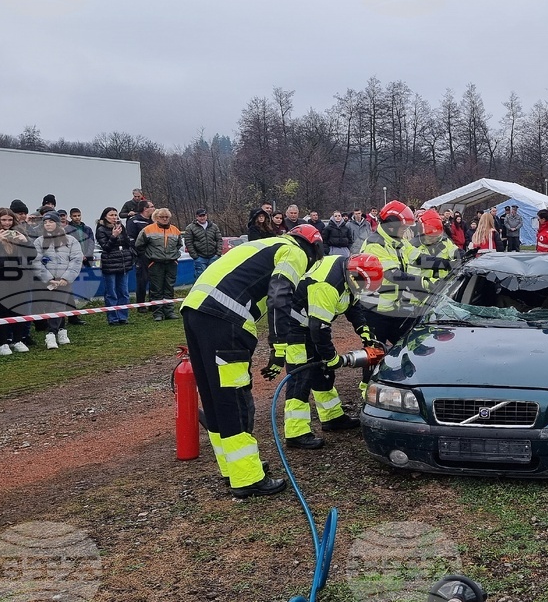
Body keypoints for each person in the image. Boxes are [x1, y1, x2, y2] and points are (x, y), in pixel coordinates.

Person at [179, 225, 324, 498]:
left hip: (195, 311)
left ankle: (234, 467)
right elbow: (280, 296)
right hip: (227, 316)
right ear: (314, 249)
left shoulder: (265, 246)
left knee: (215, 395)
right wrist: (278, 346)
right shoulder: (294, 252)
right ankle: (247, 478)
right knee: (235, 397)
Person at [282, 253, 383, 448]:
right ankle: (295, 432)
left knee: (324, 373)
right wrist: (332, 357)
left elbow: (353, 307)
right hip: (295, 327)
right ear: (355, 276)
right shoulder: (327, 286)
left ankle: (331, 417)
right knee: (300, 378)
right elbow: (318, 327)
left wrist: (365, 333)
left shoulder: (350, 273)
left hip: (312, 324)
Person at [361, 201, 421, 346]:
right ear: (391, 225)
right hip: (375, 310)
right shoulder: (375, 245)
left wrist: (449, 263)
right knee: (375, 354)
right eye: (403, 227)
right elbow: (392, 275)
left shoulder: (398, 241)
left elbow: (419, 258)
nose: (405, 230)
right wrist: (423, 283)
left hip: (394, 307)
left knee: (405, 347)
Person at [0, 208, 35, 353]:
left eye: (9, 220)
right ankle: (3, 342)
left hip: (19, 278)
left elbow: (32, 255)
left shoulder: (20, 233)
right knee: (1, 312)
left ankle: (18, 340)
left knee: (18, 310)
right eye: (3, 220)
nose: (7, 223)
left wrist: (25, 242)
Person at [33, 211, 83, 350]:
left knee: (58, 306)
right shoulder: (39, 241)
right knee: (52, 306)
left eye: (51, 222)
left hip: (64, 281)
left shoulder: (70, 240)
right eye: (45, 222)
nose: (48, 225)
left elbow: (76, 260)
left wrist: (66, 278)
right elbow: (36, 261)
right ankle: (61, 331)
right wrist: (48, 278)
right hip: (48, 281)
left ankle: (51, 333)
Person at [134, 208, 183, 321]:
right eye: (162, 217)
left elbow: (179, 244)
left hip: (171, 263)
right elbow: (139, 245)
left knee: (169, 287)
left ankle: (169, 311)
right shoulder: (148, 230)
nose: (165, 219)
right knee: (156, 289)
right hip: (155, 263)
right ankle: (158, 313)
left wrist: (175, 257)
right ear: (156, 217)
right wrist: (148, 258)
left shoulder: (175, 230)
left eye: (167, 217)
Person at [95, 207, 134, 326]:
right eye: (111, 215)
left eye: (116, 215)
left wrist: (122, 233)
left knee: (124, 292)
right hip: (110, 263)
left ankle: (123, 316)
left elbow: (127, 242)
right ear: (105, 216)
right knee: (111, 292)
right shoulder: (101, 229)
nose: (114, 217)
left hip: (123, 262)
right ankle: (113, 318)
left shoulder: (121, 227)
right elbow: (106, 247)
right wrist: (113, 236)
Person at [409, 208, 460, 287]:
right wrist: (436, 283)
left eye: (436, 236)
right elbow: (414, 277)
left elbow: (455, 251)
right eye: (430, 237)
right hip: (422, 293)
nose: (434, 239)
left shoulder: (444, 241)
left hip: (443, 290)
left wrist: (463, 255)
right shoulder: (413, 247)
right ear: (422, 234)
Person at [126, 201, 154, 310]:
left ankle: (153, 303)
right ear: (145, 209)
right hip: (141, 255)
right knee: (142, 280)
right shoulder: (133, 221)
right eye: (152, 207)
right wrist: (138, 253)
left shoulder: (154, 221)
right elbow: (131, 239)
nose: (154, 208)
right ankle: (141, 305)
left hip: (154, 255)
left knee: (154, 280)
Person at [183, 208, 223, 281]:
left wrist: (218, 254)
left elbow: (219, 240)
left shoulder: (214, 226)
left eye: (203, 215)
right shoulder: (190, 228)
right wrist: (195, 256)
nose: (202, 217)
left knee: (214, 278)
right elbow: (188, 243)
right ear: (197, 217)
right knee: (200, 278)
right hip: (200, 258)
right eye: (200, 216)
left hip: (213, 256)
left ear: (206, 216)